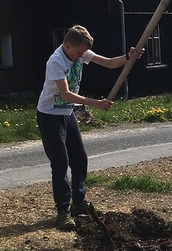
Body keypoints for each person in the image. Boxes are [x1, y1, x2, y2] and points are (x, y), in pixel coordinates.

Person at [37, 25, 144, 230]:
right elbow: (66, 94)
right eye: (78, 53)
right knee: (60, 162)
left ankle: (78, 203)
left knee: (80, 158)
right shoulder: (56, 61)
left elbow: (109, 63)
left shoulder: (81, 52)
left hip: (67, 113)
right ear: (67, 45)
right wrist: (96, 103)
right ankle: (63, 211)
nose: (81, 57)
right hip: (50, 115)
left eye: (83, 53)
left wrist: (128, 56)